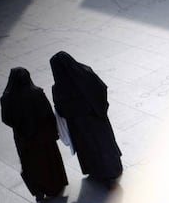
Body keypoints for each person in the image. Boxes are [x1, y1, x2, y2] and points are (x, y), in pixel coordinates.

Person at [49, 51, 123, 182]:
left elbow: (61, 109)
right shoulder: (86, 72)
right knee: (104, 144)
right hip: (96, 118)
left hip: (79, 126)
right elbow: (101, 88)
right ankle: (113, 168)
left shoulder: (59, 88)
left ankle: (96, 171)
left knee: (88, 149)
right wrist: (100, 108)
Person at [0, 67, 68, 203]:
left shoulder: (7, 98)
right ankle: (55, 186)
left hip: (24, 139)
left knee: (31, 165)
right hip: (43, 137)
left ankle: (39, 190)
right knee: (49, 160)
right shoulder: (37, 93)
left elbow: (6, 119)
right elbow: (48, 113)